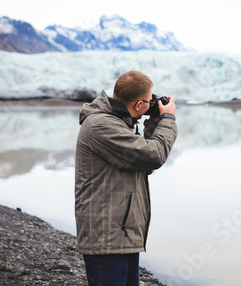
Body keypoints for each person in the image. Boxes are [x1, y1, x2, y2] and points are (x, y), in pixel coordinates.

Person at [75, 70, 178, 286]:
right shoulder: (102, 126)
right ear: (139, 104)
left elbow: (141, 163)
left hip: (121, 233)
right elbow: (154, 156)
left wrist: (153, 122)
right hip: (107, 238)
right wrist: (168, 119)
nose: (151, 105)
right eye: (149, 102)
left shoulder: (119, 123)